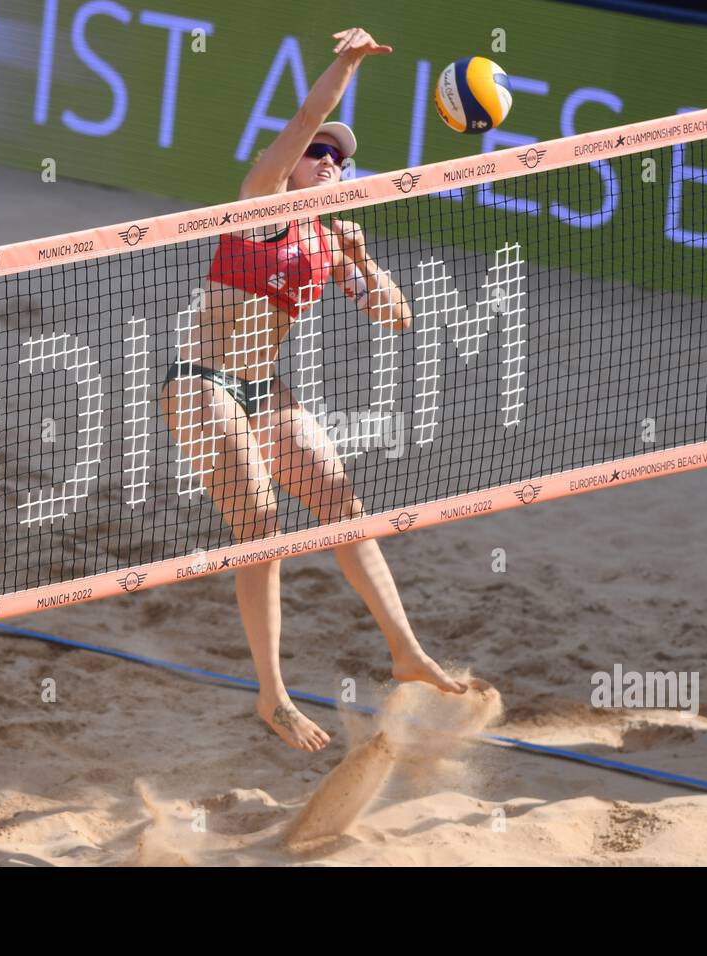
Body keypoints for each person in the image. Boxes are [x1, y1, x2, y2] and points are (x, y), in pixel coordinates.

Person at [160, 28, 466, 753]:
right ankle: (272, 695)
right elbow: (301, 120)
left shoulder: (329, 240)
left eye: (341, 156)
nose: (331, 160)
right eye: (320, 152)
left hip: (262, 389)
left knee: (341, 506)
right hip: (201, 385)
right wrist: (349, 62)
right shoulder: (259, 203)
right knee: (260, 528)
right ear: (293, 164)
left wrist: (365, 261)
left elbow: (397, 318)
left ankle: (405, 651)